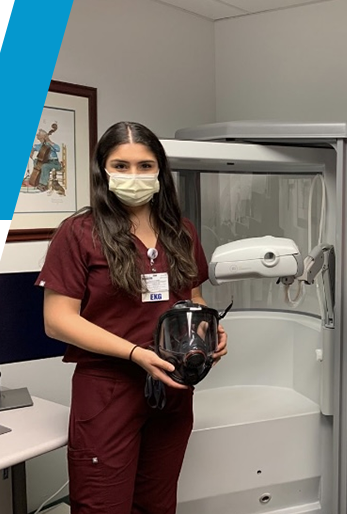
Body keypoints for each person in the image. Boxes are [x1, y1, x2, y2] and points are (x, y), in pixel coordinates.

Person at [35, 121, 228, 514]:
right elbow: (57, 320)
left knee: (158, 503)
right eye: (121, 166)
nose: (134, 176)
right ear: (103, 170)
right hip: (109, 389)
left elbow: (192, 297)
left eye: (145, 165)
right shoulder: (78, 233)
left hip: (173, 387)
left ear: (160, 171)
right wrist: (136, 354)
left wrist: (208, 332)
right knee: (103, 505)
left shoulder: (181, 232)